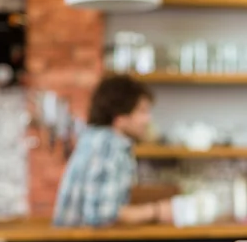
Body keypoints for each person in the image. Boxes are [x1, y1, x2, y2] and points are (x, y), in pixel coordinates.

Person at [53, 75, 173, 226]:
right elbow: (101, 214)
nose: (148, 119)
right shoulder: (110, 145)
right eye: (142, 112)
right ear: (119, 116)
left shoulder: (96, 138)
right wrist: (158, 211)